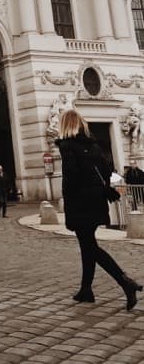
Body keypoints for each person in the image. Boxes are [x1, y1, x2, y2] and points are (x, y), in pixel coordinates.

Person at [56, 109, 142, 309]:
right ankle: (86, 290)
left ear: (65, 125)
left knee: (90, 248)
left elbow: (71, 177)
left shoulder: (68, 146)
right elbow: (107, 171)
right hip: (96, 201)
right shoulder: (93, 146)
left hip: (80, 202)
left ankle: (125, 282)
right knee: (88, 246)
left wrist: (68, 200)